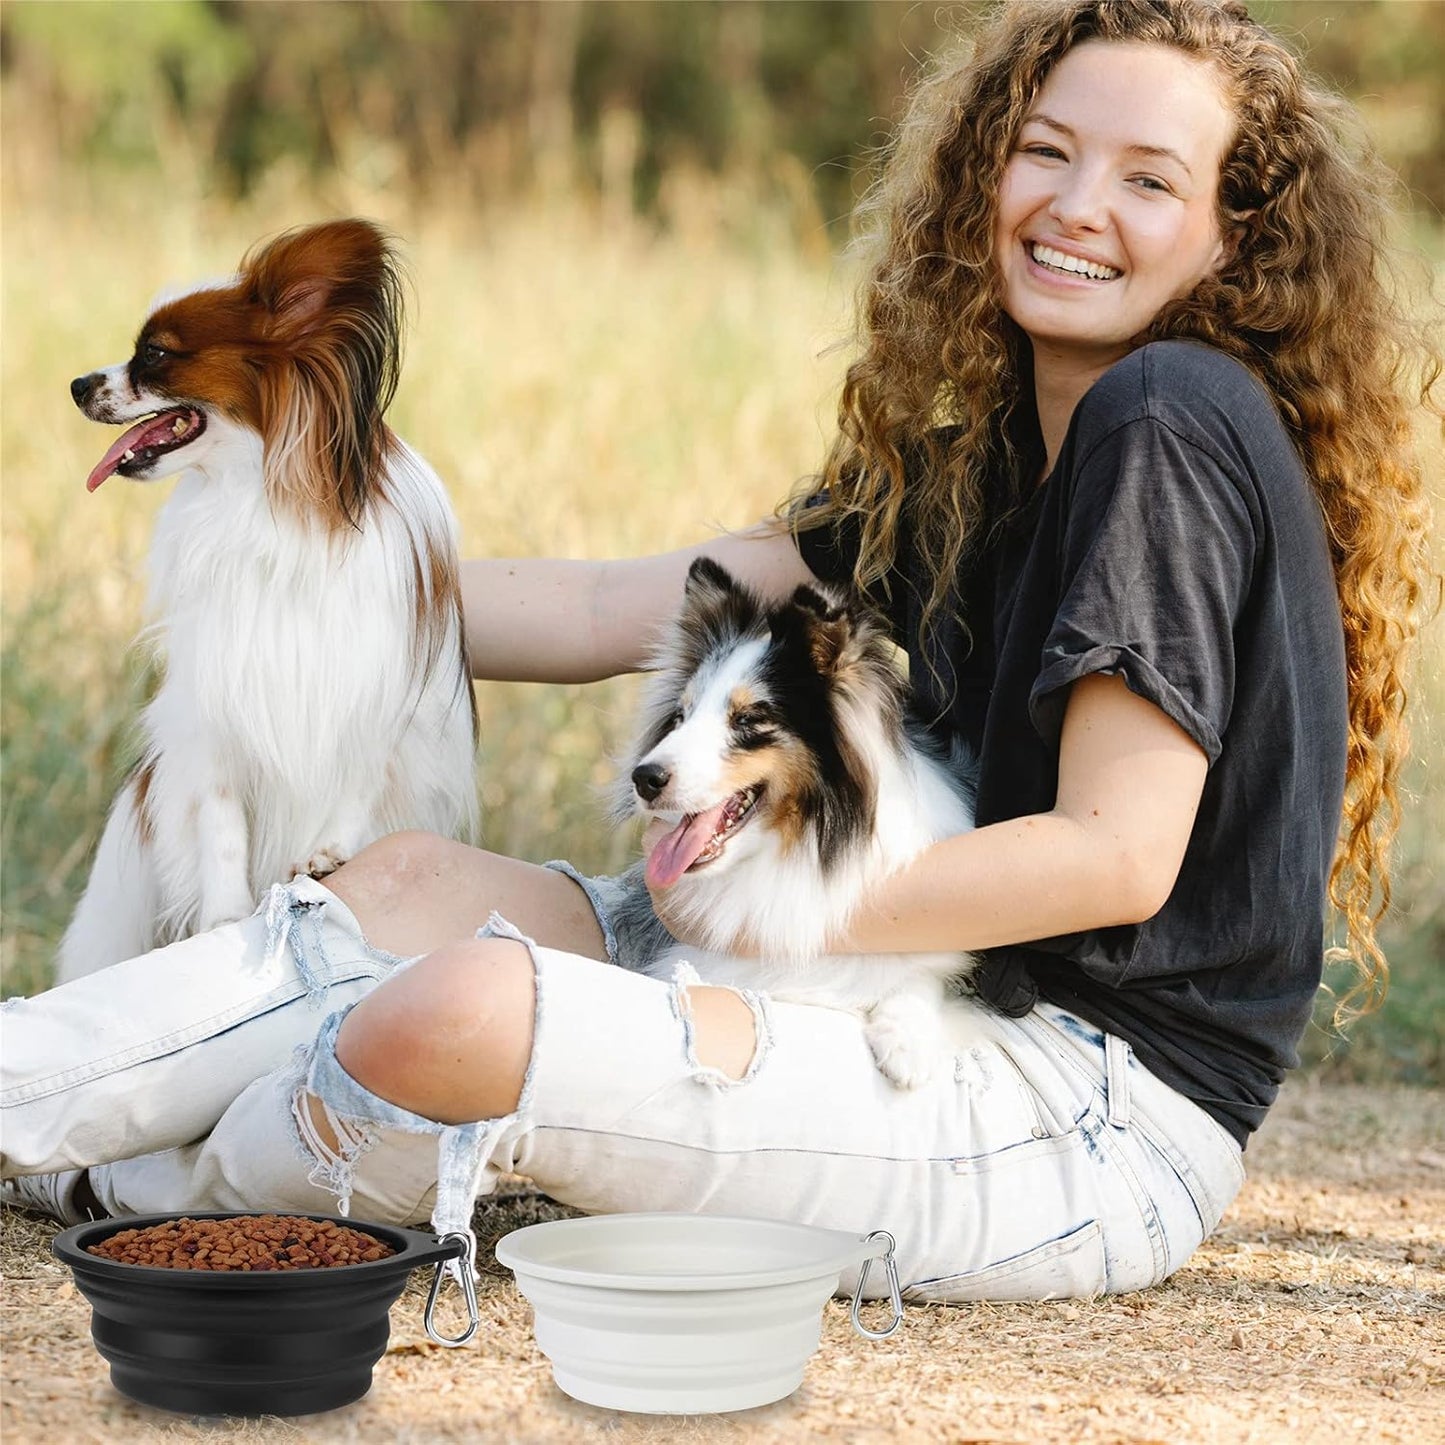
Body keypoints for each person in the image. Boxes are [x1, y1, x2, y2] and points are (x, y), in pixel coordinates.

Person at [3, 0, 1437, 1303]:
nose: (1073, 206)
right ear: (985, 169)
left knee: (456, 1009)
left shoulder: (1166, 421)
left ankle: (126, 1185)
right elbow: (594, 608)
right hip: (841, 972)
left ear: (1233, 234)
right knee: (402, 887)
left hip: (1069, 1104)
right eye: (1045, 150)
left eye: (1146, 178)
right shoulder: (979, 465)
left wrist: (745, 911)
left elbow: (1111, 856)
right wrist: (294, 532)